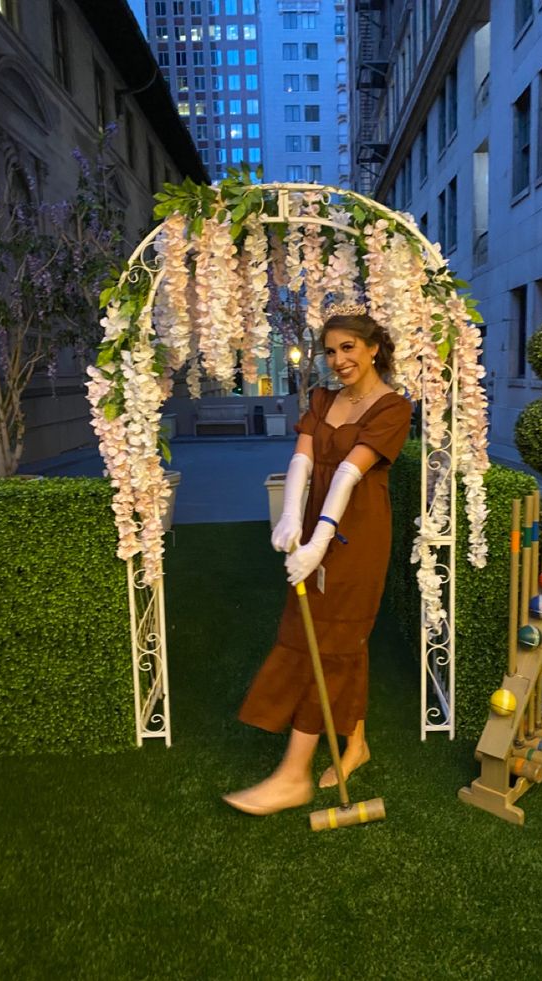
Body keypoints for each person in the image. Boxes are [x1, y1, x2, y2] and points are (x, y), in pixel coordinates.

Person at [222, 305, 412, 816]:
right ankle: (356, 744)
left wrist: (319, 542)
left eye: (348, 347)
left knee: (331, 642)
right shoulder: (323, 397)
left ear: (373, 348)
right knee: (326, 636)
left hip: (357, 538)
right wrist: (289, 519)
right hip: (313, 533)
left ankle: (293, 775)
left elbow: (351, 474)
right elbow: (303, 459)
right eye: (330, 350)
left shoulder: (393, 407)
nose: (338, 359)